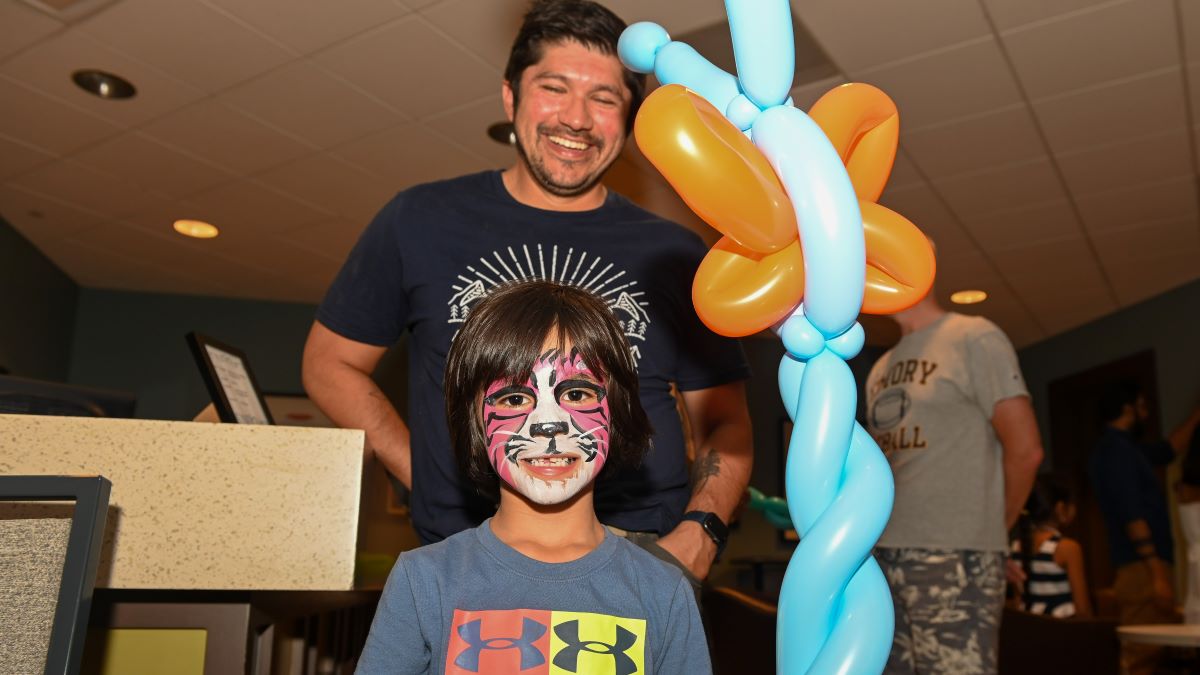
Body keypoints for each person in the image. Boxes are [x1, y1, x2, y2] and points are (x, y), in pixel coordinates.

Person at [302, 0, 753, 582]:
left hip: (642, 556)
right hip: (468, 553)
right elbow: (328, 363)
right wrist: (423, 470)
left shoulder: (675, 252)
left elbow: (728, 421)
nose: (577, 118)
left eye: (604, 97)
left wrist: (701, 533)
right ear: (511, 97)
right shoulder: (421, 219)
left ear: (630, 118)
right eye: (554, 88)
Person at [355, 281, 711, 674]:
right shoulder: (423, 581)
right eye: (513, 399)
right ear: (474, 421)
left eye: (577, 394)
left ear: (617, 408)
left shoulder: (664, 590)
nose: (548, 425)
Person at [864, 289, 1044, 674]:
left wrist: (992, 534)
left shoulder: (973, 336)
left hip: (953, 556)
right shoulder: (880, 367)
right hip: (882, 558)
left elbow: (1026, 451)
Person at [1089, 382, 1199, 673]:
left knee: (1161, 656)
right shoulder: (1115, 451)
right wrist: (1158, 575)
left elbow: (1169, 449)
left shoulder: (1129, 449)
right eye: (1142, 406)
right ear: (1129, 408)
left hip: (1148, 567)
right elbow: (1132, 515)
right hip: (1142, 569)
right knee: (1143, 657)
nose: (1146, 414)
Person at [1011, 476, 1092, 618]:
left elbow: (1018, 599)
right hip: (1061, 630)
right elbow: (1082, 608)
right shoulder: (1067, 548)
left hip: (1029, 629)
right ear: (1060, 508)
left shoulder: (1017, 546)